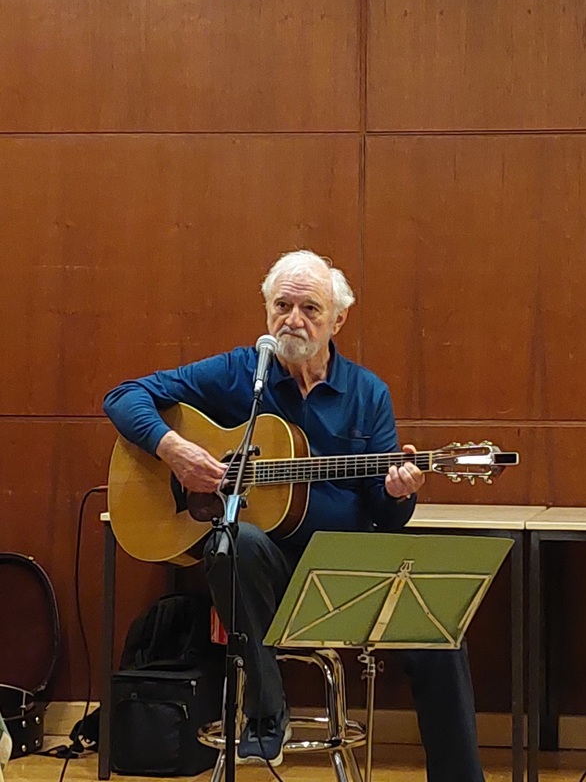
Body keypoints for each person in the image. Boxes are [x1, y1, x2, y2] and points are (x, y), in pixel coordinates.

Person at [103, 249, 485, 781]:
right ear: (266, 310)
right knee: (233, 541)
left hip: (346, 574)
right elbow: (124, 396)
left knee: (440, 629)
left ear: (338, 320)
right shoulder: (240, 373)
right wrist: (175, 450)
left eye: (310, 308)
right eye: (282, 306)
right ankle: (266, 711)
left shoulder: (366, 393)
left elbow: (388, 516)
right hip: (264, 581)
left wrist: (399, 492)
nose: (293, 320)